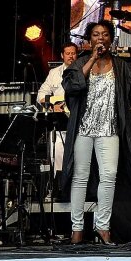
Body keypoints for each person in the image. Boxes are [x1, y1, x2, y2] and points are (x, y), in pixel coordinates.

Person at [62, 20, 131, 244]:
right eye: (96, 34)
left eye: (105, 34)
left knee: (108, 176)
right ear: (90, 40)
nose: (101, 38)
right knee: (80, 177)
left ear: (111, 39)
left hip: (109, 129)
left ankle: (103, 227)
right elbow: (72, 87)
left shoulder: (121, 66)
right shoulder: (80, 63)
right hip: (83, 128)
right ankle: (77, 228)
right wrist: (91, 58)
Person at [37, 43, 79, 178]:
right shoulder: (54, 73)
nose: (71, 56)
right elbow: (41, 95)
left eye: (73, 53)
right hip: (60, 123)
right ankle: (59, 185)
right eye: (68, 53)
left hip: (79, 121)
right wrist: (52, 106)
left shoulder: (84, 71)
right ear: (62, 55)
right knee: (58, 152)